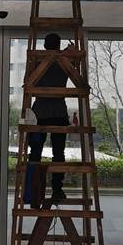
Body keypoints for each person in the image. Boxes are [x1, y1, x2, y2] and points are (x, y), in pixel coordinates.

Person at [28, 33, 72, 204]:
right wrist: (68, 51)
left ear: (44, 46)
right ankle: (57, 190)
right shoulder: (64, 61)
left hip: (39, 113)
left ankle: (33, 190)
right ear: (59, 46)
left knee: (35, 153)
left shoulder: (36, 62)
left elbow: (28, 83)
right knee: (58, 154)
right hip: (59, 112)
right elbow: (73, 63)